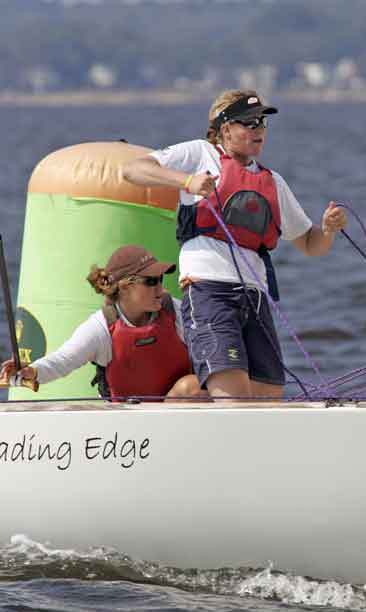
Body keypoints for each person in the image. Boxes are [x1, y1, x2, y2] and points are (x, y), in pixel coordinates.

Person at [122, 90, 348, 398]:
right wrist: (186, 182)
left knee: (269, 396)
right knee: (233, 394)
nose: (259, 130)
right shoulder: (201, 154)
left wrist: (328, 229)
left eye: (262, 124)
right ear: (225, 130)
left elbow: (311, 244)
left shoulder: (273, 182)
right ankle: (182, 405)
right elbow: (132, 170)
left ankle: (187, 403)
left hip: (255, 297)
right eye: (249, 123)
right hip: (209, 291)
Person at [0, 245, 202, 400]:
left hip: (175, 418)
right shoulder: (101, 328)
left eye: (160, 279)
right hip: (124, 431)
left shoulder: (174, 310)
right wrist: (33, 371)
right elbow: (63, 360)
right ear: (124, 288)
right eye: (150, 281)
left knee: (192, 387)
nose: (159, 288)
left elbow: (212, 347)